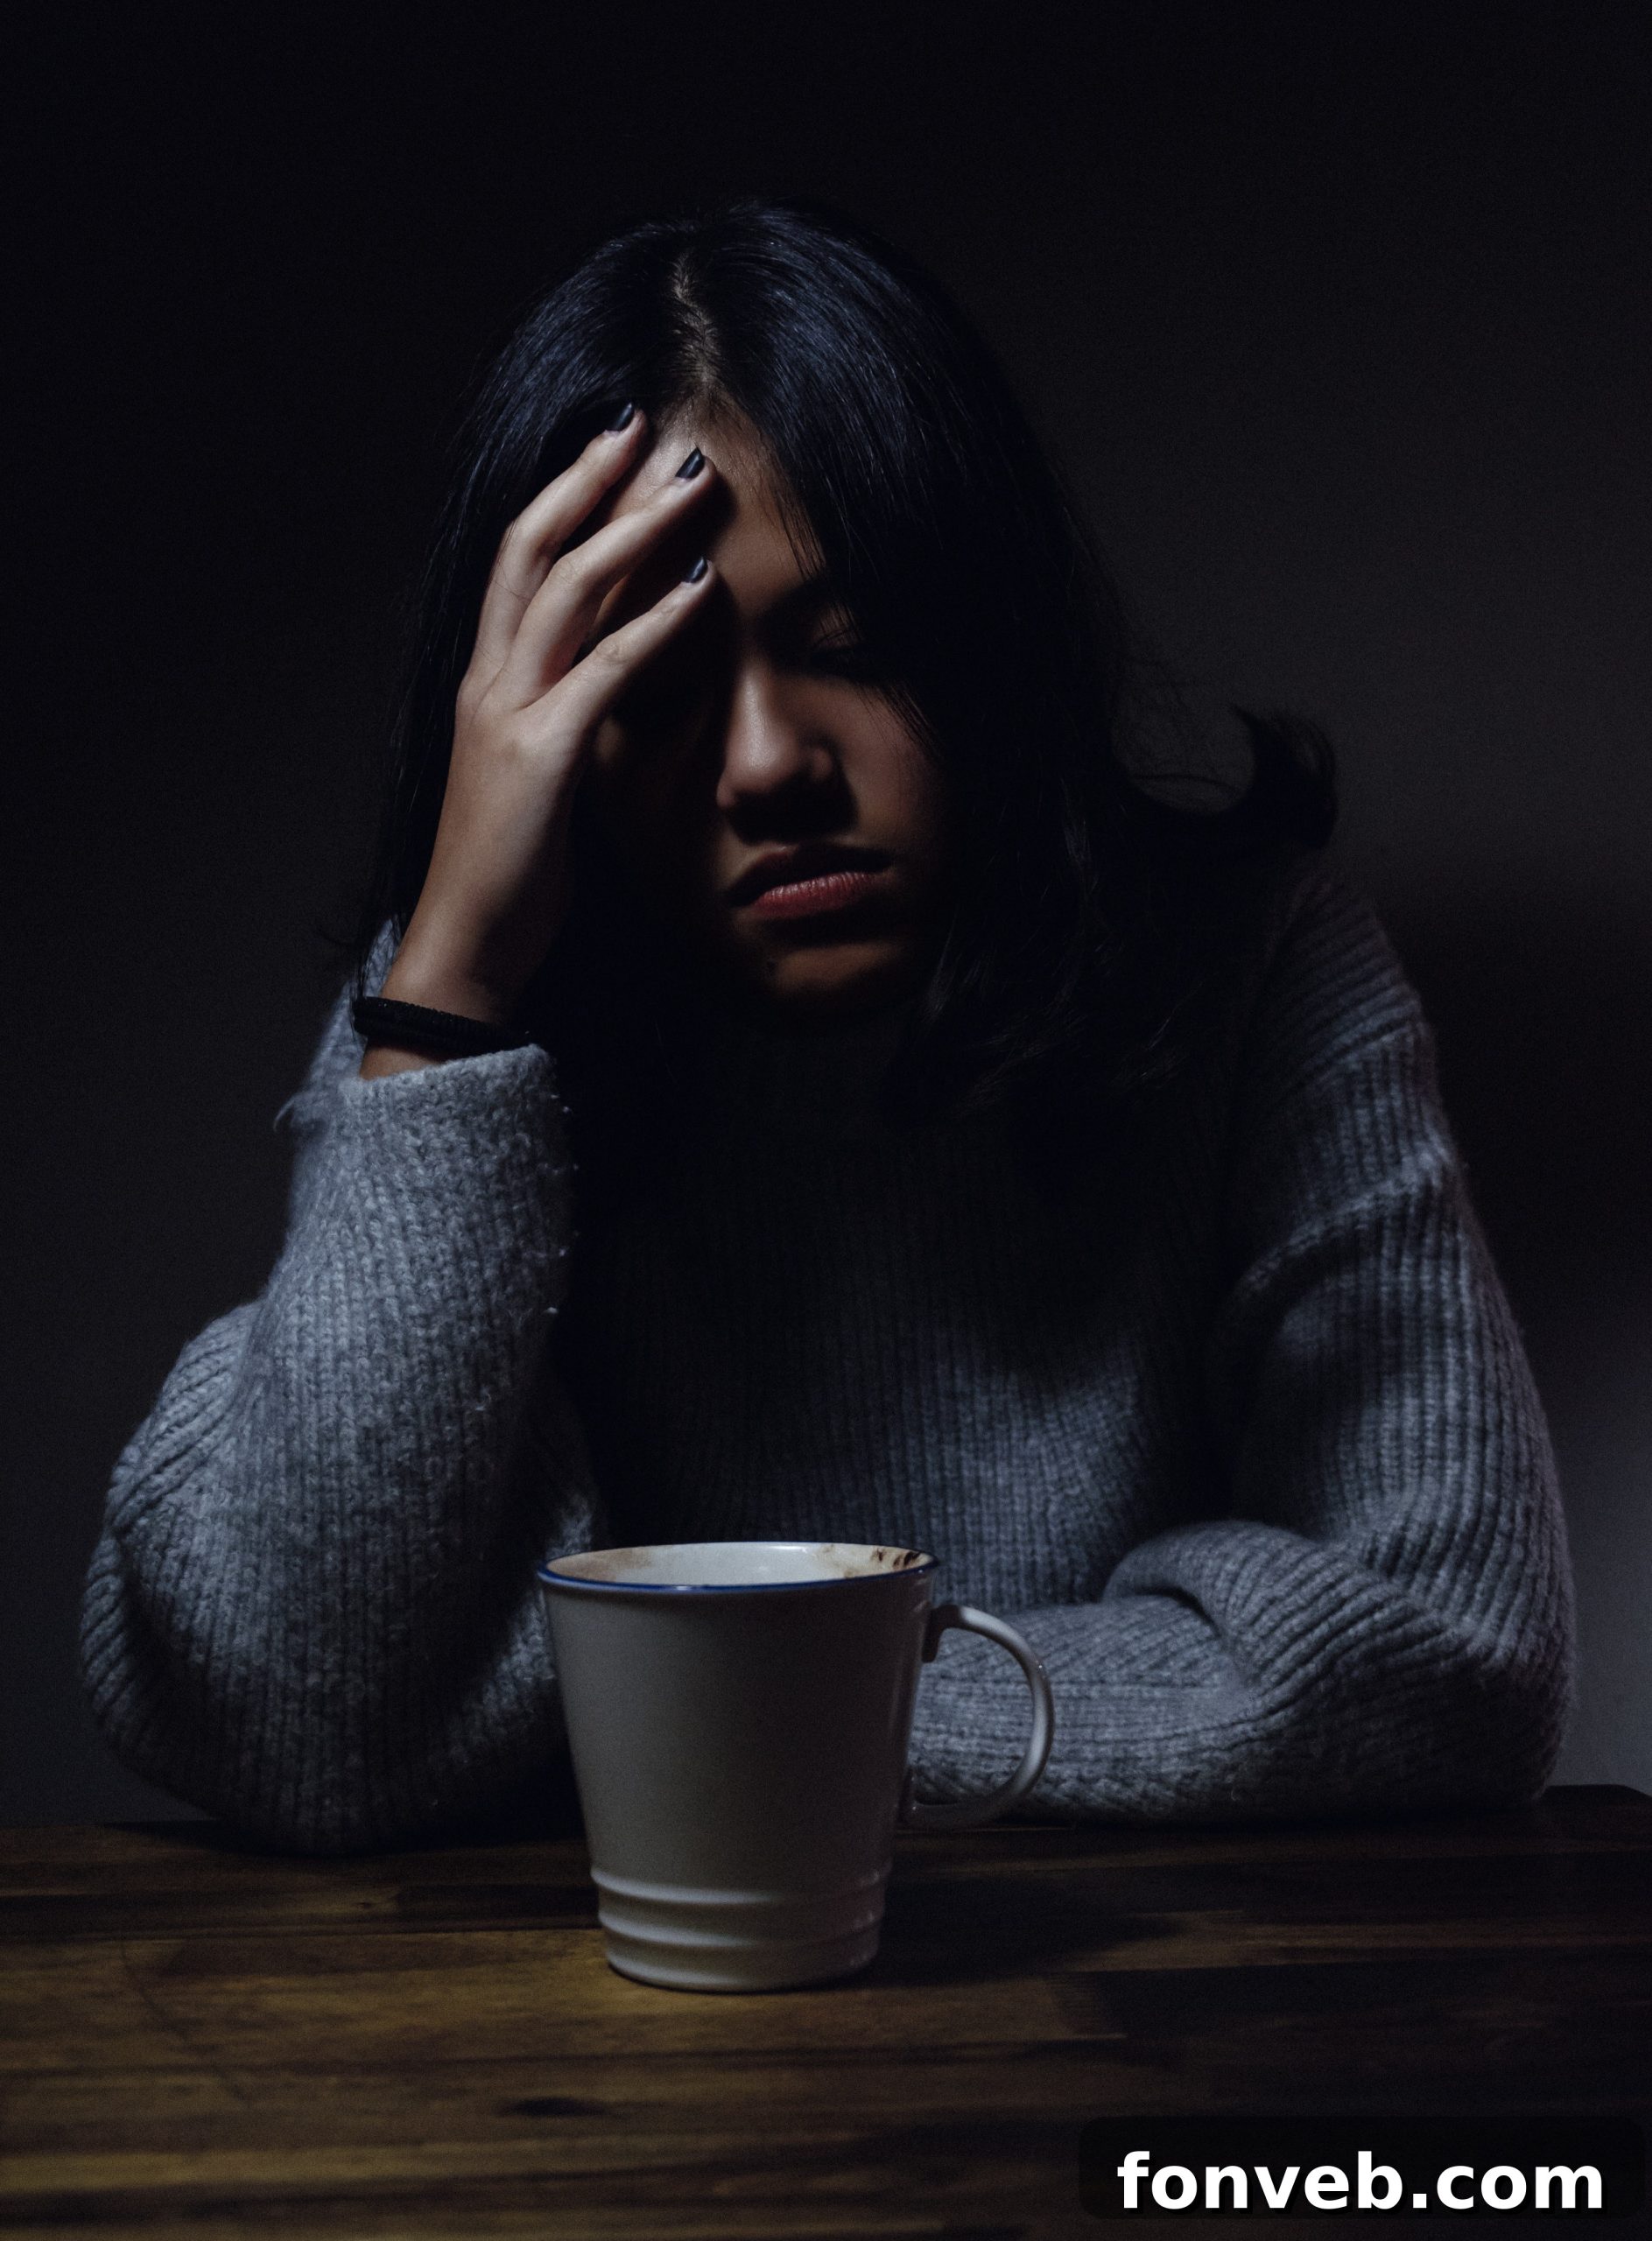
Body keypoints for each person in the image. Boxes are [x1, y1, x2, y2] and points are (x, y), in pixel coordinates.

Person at [80, 198, 1575, 1854]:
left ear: (993, 637)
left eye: (854, 647)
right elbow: (299, 1710)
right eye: (647, 684)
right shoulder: (475, 1017)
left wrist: (711, 1717)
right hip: (570, 2061)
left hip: (1148, 2027)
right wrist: (444, 998)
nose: (769, 764)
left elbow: (1459, 1646)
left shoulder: (1252, 964)